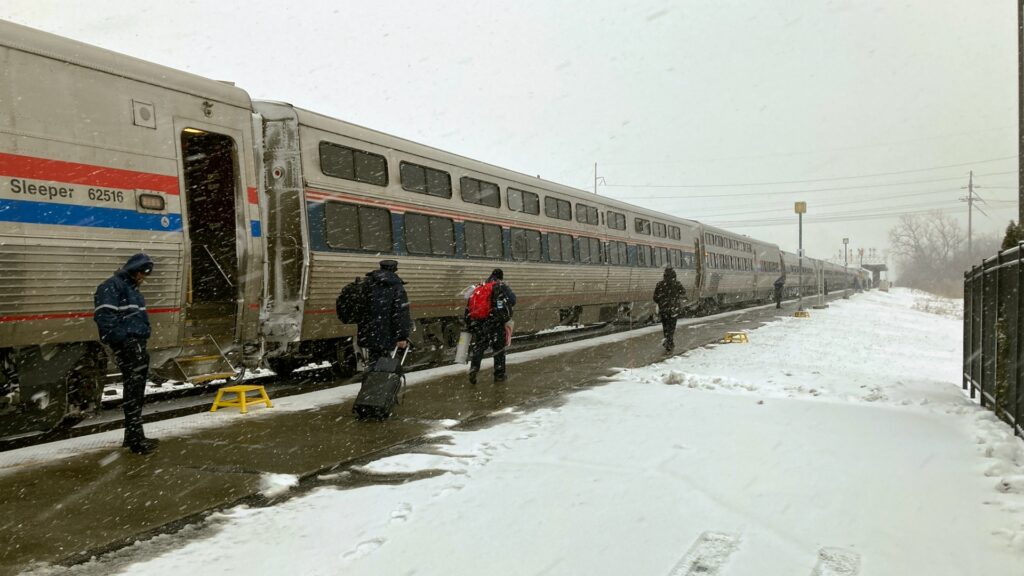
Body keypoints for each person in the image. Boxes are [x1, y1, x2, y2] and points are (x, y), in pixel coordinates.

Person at [94, 253, 158, 455]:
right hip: (130, 345)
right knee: (133, 392)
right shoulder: (112, 287)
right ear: (134, 270)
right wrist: (124, 340)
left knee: (136, 392)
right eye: (141, 273)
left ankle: (133, 436)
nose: (143, 278)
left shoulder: (131, 289)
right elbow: (105, 318)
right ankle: (136, 440)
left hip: (137, 344)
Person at [357, 260, 411, 367]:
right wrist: (402, 337)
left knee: (374, 360)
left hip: (369, 332)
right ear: (395, 269)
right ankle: (381, 380)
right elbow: (401, 313)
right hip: (387, 333)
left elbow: (360, 307)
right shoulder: (396, 286)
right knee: (384, 364)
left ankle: (373, 378)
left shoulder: (367, 283)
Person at [467, 269, 517, 384]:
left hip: (480, 322)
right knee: (498, 349)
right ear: (500, 277)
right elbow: (513, 300)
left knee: (479, 347)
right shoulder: (500, 286)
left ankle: (474, 368)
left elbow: (469, 304)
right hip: (496, 322)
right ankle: (499, 375)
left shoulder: (480, 287)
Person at [653, 267, 686, 353]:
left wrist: (661, 301)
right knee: (672, 327)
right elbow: (683, 292)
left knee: (665, 326)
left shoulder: (660, 284)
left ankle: (667, 340)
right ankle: (669, 342)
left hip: (664, 309)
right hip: (673, 309)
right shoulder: (677, 284)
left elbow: (655, 297)